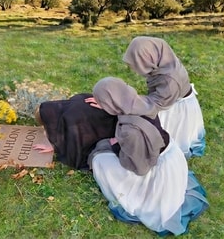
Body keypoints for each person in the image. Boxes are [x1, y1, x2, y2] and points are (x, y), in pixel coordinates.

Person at [88, 77, 209, 236]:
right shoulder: (142, 101)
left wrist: (116, 146)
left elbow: (140, 168)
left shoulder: (130, 131)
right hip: (172, 155)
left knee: (100, 161)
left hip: (158, 170)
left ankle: (142, 193)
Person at [87, 36, 206, 158]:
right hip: (167, 99)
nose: (133, 69)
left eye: (136, 63)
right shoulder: (164, 62)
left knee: (159, 136)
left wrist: (114, 101)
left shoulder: (170, 81)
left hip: (175, 108)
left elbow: (153, 106)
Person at [33, 93, 118, 170]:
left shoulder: (70, 119)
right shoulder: (78, 98)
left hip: (116, 134)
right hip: (117, 119)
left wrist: (56, 146)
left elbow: (75, 146)